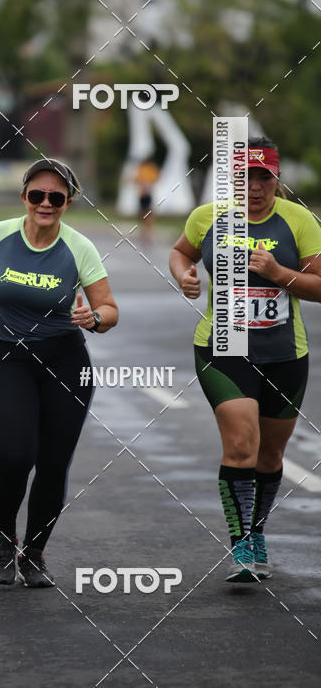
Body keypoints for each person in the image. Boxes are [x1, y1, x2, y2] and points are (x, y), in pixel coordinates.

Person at [0, 158, 118, 588]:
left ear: (68, 201)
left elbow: (109, 309)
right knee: (15, 454)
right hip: (9, 356)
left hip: (65, 360)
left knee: (52, 463)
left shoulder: (79, 247)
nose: (45, 204)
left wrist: (94, 318)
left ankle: (34, 553)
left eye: (55, 197)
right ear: (24, 196)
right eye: (37, 195)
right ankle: (4, 538)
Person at [169, 137, 321, 582]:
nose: (254, 187)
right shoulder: (207, 218)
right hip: (223, 346)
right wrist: (185, 276)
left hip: (284, 353)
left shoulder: (299, 221)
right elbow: (181, 252)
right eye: (244, 177)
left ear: (277, 179)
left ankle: (256, 530)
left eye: (263, 178)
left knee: (270, 454)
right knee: (241, 444)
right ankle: (242, 546)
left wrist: (279, 275)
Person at [134, 157, 159, 244]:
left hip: (146, 195)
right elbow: (137, 180)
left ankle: (147, 233)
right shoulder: (144, 169)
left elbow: (152, 180)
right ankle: (146, 233)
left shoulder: (148, 169)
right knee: (145, 215)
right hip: (143, 195)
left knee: (147, 214)